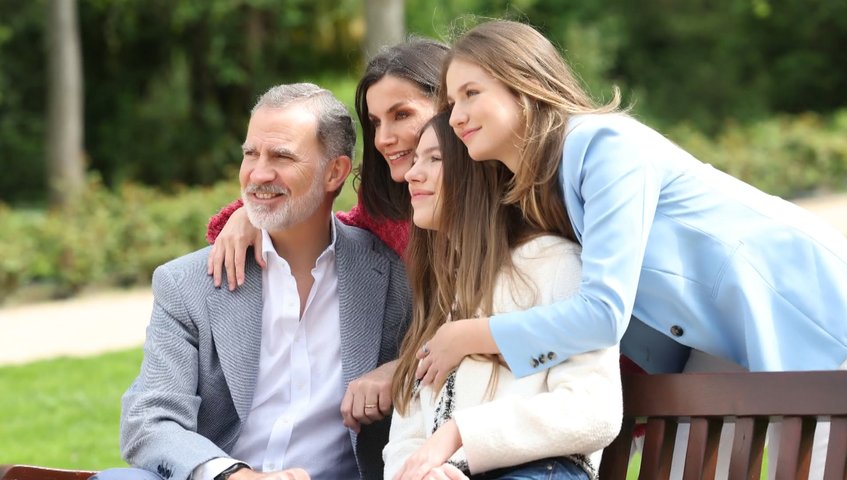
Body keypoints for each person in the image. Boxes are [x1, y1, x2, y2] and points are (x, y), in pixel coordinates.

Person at [414, 19, 847, 478]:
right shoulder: (542, 185)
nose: (456, 115)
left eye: (471, 93)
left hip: (807, 308)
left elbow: (603, 313)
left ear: (524, 84)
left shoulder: (601, 145)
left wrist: (468, 335)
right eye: (450, 102)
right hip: (717, 342)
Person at [93, 83, 412, 480]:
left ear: (336, 172)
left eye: (281, 156)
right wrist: (234, 476)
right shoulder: (186, 284)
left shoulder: (390, 275)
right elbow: (150, 420)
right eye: (250, 154)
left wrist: (399, 369)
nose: (258, 174)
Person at [203, 39, 449, 434]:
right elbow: (328, 224)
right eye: (375, 123)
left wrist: (400, 368)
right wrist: (249, 214)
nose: (384, 137)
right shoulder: (390, 209)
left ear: (451, 106)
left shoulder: (506, 207)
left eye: (401, 114)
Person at [384, 112, 621, 480]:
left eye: (434, 159)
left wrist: (462, 433)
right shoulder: (444, 294)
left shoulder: (552, 263)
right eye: (415, 160)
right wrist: (417, 472)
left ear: (478, 172)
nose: (413, 174)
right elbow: (408, 430)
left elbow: (594, 411)